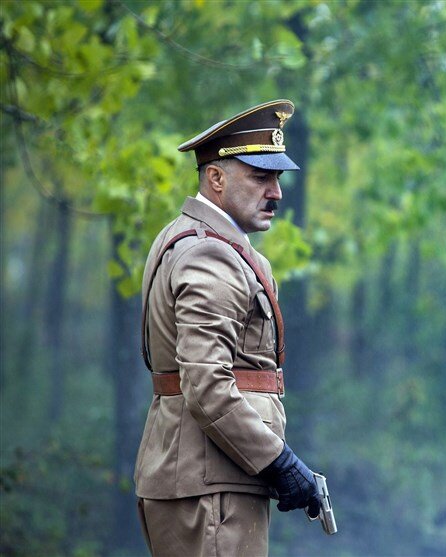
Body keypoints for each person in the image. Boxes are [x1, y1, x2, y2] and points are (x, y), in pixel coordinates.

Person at [134, 100, 319, 556]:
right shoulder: (209, 255)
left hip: (204, 478)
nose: (276, 193)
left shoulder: (191, 240)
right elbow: (206, 385)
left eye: (277, 178)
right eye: (260, 177)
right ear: (216, 178)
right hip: (211, 486)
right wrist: (278, 461)